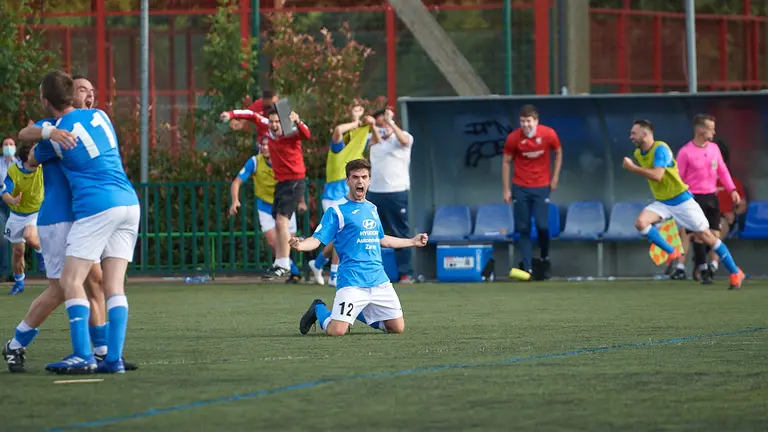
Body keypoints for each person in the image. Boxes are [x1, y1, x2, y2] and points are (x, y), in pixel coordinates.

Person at [4, 76, 136, 373]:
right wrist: (50, 133)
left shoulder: (87, 121)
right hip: (60, 217)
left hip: (86, 214)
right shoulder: (56, 128)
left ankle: (103, 352)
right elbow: (29, 149)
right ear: (66, 97)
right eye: (80, 90)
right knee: (62, 288)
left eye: (91, 90)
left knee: (96, 282)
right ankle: (16, 343)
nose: (88, 94)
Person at [290, 159, 428, 337]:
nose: (360, 181)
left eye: (364, 177)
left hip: (378, 280)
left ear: (369, 180)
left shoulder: (372, 208)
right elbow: (317, 240)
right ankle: (319, 308)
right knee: (336, 331)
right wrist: (300, 245)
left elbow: (383, 239)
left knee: (397, 328)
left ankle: (355, 312)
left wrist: (413, 241)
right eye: (355, 177)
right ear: (347, 181)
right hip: (352, 281)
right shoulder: (337, 210)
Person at [622, 119, 745, 290]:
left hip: (681, 200)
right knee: (641, 223)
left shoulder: (661, 149)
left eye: (634, 133)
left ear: (645, 134)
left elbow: (658, 175)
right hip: (663, 201)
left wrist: (633, 168)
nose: (630, 137)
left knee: (707, 237)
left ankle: (735, 272)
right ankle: (672, 252)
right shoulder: (638, 153)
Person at [220, 107, 311, 280]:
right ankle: (280, 260)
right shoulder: (268, 130)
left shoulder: (290, 131)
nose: (275, 125)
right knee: (279, 224)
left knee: (281, 221)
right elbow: (252, 115)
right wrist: (231, 114)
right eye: (272, 121)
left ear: (282, 122)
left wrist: (298, 121)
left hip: (294, 180)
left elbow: (306, 135)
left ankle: (284, 262)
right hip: (282, 182)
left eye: (278, 121)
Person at [308, 105, 375, 286]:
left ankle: (318, 263)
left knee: (341, 235)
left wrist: (371, 123)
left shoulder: (359, 153)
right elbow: (338, 130)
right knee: (341, 235)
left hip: (347, 198)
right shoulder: (338, 148)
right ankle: (335, 275)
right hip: (332, 197)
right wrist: (355, 120)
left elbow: (375, 139)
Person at [671, 114, 740, 284]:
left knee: (714, 235)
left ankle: (700, 260)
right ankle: (703, 270)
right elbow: (677, 178)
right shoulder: (686, 152)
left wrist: (732, 189)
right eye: (711, 129)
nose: (714, 132)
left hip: (711, 197)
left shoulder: (714, 149)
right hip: (693, 198)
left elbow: (722, 171)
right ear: (701, 130)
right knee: (699, 235)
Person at [228, 137, 303, 283]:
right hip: (265, 206)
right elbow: (236, 182)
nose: (265, 147)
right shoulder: (255, 161)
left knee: (290, 243)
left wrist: (301, 202)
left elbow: (296, 181)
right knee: (274, 242)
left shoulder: (283, 160)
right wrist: (235, 200)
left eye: (268, 145)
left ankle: (290, 267)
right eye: (262, 144)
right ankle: (291, 269)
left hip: (284, 204)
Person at [501, 104, 563, 280]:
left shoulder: (548, 134)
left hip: (542, 186)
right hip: (520, 187)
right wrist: (506, 189)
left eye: (529, 121)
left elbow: (558, 152)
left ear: (536, 121)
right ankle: (527, 267)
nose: (526, 125)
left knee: (542, 225)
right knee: (523, 228)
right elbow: (506, 162)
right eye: (522, 121)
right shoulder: (514, 138)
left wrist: (555, 177)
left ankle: (544, 257)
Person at [366, 108, 420, 283]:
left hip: (396, 193)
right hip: (375, 193)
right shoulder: (374, 139)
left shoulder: (403, 137)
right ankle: (371, 273)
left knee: (400, 233)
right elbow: (375, 142)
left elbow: (404, 141)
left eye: (386, 123)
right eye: (380, 124)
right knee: (370, 233)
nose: (384, 127)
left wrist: (390, 123)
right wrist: (374, 126)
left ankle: (405, 273)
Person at [1, 141, 46, 295]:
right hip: (16, 214)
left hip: (36, 211)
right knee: (18, 251)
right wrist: (12, 200)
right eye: (34, 153)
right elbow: (4, 192)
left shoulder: (43, 167)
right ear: (27, 158)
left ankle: (43, 255)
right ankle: (19, 282)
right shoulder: (14, 170)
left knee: (30, 236)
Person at [0, 137, 19, 282]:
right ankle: (4, 271)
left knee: (18, 239)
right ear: (2, 148)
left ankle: (17, 272)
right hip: (1, 203)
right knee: (3, 237)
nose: (8, 146)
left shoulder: (20, 163)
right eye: (6, 144)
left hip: (18, 204)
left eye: (11, 144)